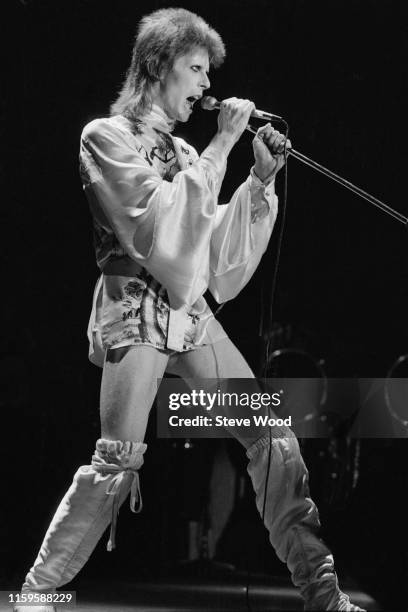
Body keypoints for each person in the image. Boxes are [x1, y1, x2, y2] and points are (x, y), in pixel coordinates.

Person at [15, 8, 364, 612]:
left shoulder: (183, 148)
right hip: (134, 309)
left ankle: (323, 594)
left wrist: (255, 182)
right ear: (156, 66)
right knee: (117, 461)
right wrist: (224, 143)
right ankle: (36, 595)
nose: (206, 86)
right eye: (195, 69)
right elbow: (159, 232)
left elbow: (205, 248)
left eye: (208, 72)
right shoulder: (105, 138)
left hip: (189, 312)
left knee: (271, 433)